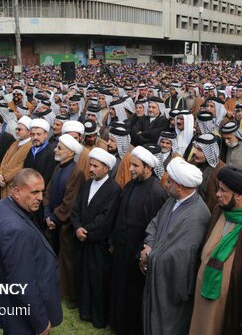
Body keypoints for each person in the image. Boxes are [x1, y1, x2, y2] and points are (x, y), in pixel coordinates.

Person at [189, 166, 242, 335]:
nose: (217, 194)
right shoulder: (220, 210)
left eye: (223, 190)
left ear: (240, 195)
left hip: (230, 302)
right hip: (202, 292)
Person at [0, 168, 63, 335]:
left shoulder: (1, 206)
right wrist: (41, 321)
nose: (41, 198)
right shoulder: (15, 230)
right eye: (34, 192)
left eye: (42, 192)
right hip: (22, 315)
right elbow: (22, 283)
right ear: (16, 192)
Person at [140, 157, 211, 335]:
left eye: (169, 181)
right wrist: (149, 245)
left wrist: (150, 257)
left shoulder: (197, 214)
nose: (165, 183)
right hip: (157, 275)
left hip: (172, 285)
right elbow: (155, 224)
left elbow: (181, 255)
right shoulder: (173, 200)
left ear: (179, 186)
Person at [109, 146, 168, 335]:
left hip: (137, 255)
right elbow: (120, 216)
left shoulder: (156, 192)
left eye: (135, 165)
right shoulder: (130, 185)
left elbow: (156, 229)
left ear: (148, 168)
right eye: (130, 165)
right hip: (122, 250)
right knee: (119, 290)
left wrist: (141, 254)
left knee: (134, 295)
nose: (131, 169)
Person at [70, 148, 121, 328]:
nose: (90, 169)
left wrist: (87, 232)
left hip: (98, 244)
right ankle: (85, 311)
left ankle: (98, 317)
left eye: (95, 166)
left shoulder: (113, 189)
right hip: (83, 239)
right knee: (83, 275)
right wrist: (77, 228)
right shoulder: (87, 183)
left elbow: (106, 218)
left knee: (98, 280)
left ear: (106, 168)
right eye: (90, 165)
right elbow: (75, 209)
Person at [43, 133, 85, 304]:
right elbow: (48, 192)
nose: (56, 149)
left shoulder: (77, 172)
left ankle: (70, 294)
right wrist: (47, 215)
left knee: (68, 260)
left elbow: (70, 202)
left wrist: (54, 218)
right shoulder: (58, 167)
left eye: (60, 148)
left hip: (65, 225)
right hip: (53, 222)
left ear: (70, 153)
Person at [0, 116, 33, 196]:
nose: (17, 131)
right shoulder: (15, 143)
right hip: (3, 182)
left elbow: (20, 166)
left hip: (14, 185)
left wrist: (5, 178)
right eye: (16, 129)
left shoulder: (30, 146)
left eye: (19, 129)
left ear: (28, 132)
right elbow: (4, 159)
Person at [188, 133, 225, 212]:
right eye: (195, 148)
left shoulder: (221, 170)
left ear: (210, 152)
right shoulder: (191, 164)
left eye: (200, 150)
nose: (194, 152)